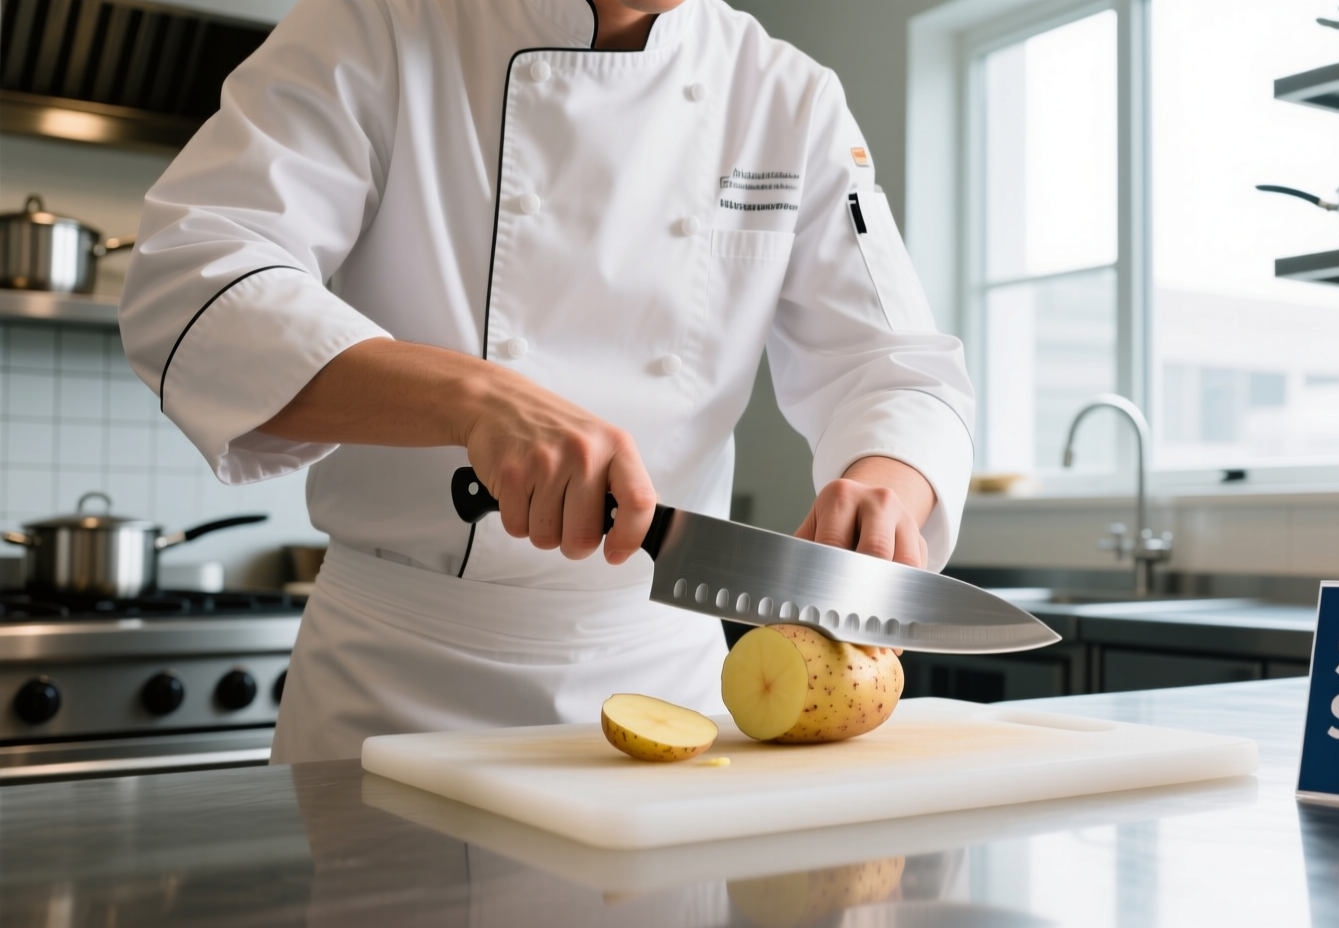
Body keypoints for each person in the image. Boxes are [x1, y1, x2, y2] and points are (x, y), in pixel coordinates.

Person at [120, 0, 974, 763]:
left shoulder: (787, 96)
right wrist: (474, 399)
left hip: (666, 685)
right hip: (395, 689)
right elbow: (191, 279)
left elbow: (893, 364)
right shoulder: (380, 21)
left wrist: (886, 487)